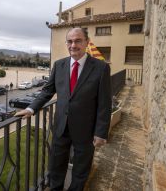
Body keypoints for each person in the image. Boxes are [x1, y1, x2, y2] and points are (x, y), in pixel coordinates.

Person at [15, 27, 111, 191]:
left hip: (85, 131)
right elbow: (47, 91)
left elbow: (104, 103)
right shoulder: (59, 65)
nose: (73, 45)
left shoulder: (101, 68)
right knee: (56, 167)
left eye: (78, 41)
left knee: (81, 172)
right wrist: (31, 109)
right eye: (70, 41)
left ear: (87, 42)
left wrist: (101, 132)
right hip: (61, 127)